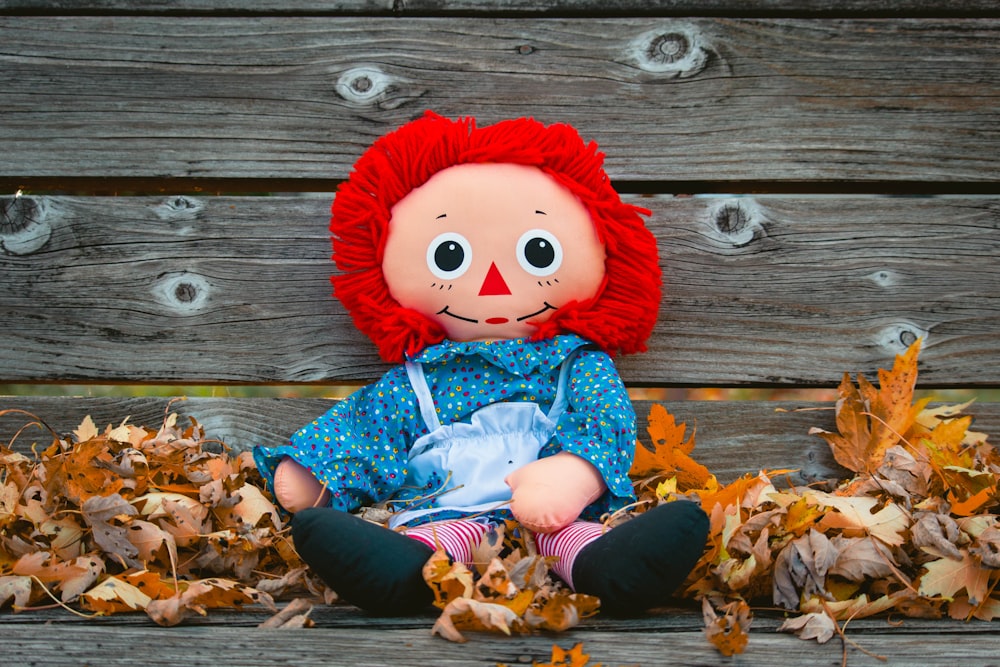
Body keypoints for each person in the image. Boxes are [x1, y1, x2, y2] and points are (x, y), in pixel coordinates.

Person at [253, 112, 708, 616]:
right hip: (449, 509)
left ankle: (608, 569)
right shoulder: (418, 379)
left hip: (556, 516)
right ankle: (406, 574)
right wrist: (320, 473)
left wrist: (570, 476)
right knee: (443, 539)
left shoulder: (575, 363)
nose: (493, 284)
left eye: (538, 251)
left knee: (571, 536)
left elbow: (607, 424)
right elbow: (368, 429)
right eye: (450, 256)